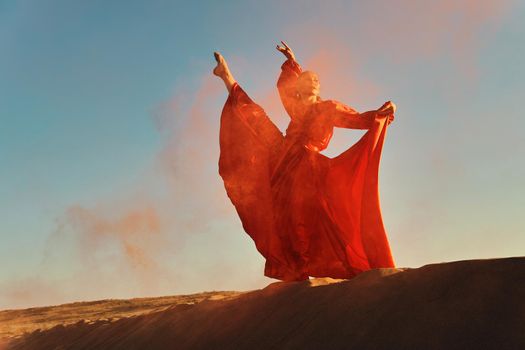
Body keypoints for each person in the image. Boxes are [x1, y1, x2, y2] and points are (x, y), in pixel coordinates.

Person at [214, 41, 396, 281]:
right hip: (282, 156)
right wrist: (292, 62)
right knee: (254, 117)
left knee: (308, 216)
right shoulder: (295, 107)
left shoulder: (327, 109)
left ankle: (339, 264)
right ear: (299, 86)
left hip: (306, 164)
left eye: (316, 80)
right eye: (307, 79)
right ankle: (227, 78)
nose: (313, 81)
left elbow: (357, 120)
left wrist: (380, 114)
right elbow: (284, 88)